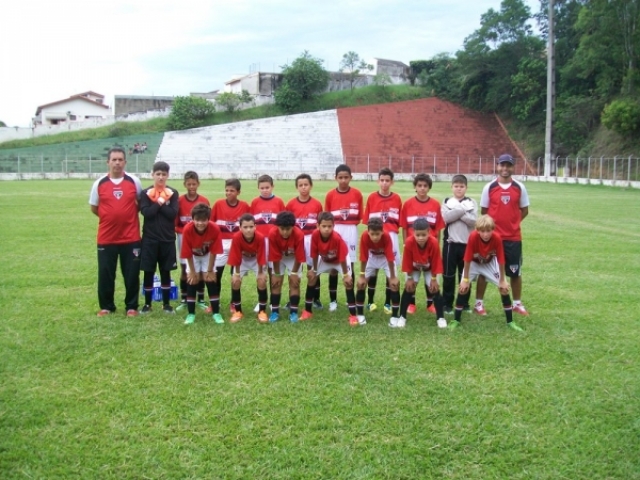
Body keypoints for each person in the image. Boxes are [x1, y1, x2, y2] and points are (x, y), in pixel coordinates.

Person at [89, 147, 142, 317]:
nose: (117, 163)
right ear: (108, 162)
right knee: (105, 274)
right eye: (114, 160)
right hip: (107, 238)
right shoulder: (99, 183)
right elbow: (94, 207)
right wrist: (110, 217)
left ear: (125, 162)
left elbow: (140, 203)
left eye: (120, 159)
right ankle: (107, 307)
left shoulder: (134, 181)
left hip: (131, 238)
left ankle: (131, 307)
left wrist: (125, 216)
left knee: (131, 274)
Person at [475, 154, 530, 316]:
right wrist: (489, 230)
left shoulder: (519, 187)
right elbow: (484, 211)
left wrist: (513, 223)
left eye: (508, 165)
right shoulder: (489, 187)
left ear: (513, 167)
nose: (505, 169)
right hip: (492, 238)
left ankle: (517, 304)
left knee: (515, 272)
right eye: (502, 165)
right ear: (497, 166)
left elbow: (525, 210)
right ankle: (478, 304)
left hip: (513, 238)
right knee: (484, 270)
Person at [448, 215, 524, 332]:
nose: (485, 234)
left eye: (488, 231)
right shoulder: (473, 237)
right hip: (474, 263)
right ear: (477, 230)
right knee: (463, 289)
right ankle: (456, 320)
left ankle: (510, 322)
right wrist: (465, 280)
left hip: (489, 263)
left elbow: (501, 260)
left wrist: (502, 280)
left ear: (493, 229)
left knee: (504, 289)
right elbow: (467, 258)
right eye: (482, 231)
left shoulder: (497, 238)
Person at [399, 173, 445, 315]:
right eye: (419, 185)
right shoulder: (408, 204)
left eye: (425, 186)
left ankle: (430, 303)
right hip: (413, 248)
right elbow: (404, 227)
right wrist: (405, 245)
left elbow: (438, 228)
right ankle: (411, 303)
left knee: (430, 276)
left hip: (430, 248)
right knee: (412, 277)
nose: (422, 188)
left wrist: (437, 246)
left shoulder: (435, 204)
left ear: (429, 187)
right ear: (415, 187)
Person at [302, 212, 359, 326]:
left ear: (333, 226)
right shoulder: (315, 235)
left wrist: (346, 275)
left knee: (348, 283)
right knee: (312, 278)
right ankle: (307, 311)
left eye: (329, 226)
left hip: (340, 261)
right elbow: (314, 253)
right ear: (318, 226)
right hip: (324, 259)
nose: (327, 229)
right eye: (324, 226)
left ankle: (353, 315)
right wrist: (314, 270)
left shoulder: (336, 238)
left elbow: (342, 257)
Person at [139, 161, 180, 314]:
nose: (161, 177)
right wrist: (160, 201)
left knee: (166, 271)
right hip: (149, 239)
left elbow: (172, 214)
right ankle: (147, 304)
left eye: (163, 174)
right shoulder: (145, 193)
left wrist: (159, 202)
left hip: (167, 239)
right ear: (153, 175)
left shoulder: (173, 193)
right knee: (148, 271)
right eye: (158, 174)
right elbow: (147, 213)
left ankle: (166, 304)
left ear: (167, 175)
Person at [362, 167, 402, 313]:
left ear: (392, 182)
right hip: (375, 237)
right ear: (378, 181)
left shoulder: (397, 198)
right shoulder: (372, 197)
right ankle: (370, 302)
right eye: (382, 180)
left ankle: (387, 303)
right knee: (373, 270)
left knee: (389, 270)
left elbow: (399, 221)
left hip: (391, 237)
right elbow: (367, 221)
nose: (384, 183)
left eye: (387, 180)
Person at [394, 218, 447, 329]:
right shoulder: (409, 242)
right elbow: (407, 261)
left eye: (423, 235)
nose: (421, 238)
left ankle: (440, 317)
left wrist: (434, 279)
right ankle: (402, 316)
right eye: (418, 235)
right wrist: (409, 278)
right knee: (409, 288)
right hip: (414, 267)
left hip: (429, 268)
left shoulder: (433, 242)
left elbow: (436, 262)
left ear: (429, 232)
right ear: (413, 233)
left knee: (435, 289)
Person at [324, 164, 363, 313]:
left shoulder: (357, 194)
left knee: (349, 264)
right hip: (335, 229)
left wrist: (349, 226)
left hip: (351, 229)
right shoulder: (330, 195)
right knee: (334, 265)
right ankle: (333, 301)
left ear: (351, 178)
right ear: (336, 178)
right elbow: (327, 216)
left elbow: (359, 216)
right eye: (340, 177)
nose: (343, 180)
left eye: (346, 177)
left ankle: (349, 298)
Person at [179, 203, 223, 325]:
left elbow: (214, 251)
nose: (200, 223)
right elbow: (187, 253)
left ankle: (216, 313)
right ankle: (191, 314)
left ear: (208, 219)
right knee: (192, 280)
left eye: (204, 220)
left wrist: (210, 270)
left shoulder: (214, 228)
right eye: (197, 220)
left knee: (210, 280)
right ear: (192, 219)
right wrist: (192, 271)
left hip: (207, 255)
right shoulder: (187, 229)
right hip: (193, 256)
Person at [211, 178, 251, 312]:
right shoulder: (218, 204)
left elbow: (249, 226)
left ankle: (234, 302)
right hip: (221, 244)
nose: (228, 193)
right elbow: (211, 223)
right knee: (216, 274)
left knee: (235, 275)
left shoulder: (244, 206)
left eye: (232, 191)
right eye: (227, 190)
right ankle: (214, 302)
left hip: (237, 244)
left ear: (238, 192)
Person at [286, 173, 324, 309]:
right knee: (294, 269)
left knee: (313, 268)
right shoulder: (291, 204)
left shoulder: (317, 204)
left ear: (311, 186)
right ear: (297, 187)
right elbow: (287, 224)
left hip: (311, 239)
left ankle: (315, 298)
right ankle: (292, 299)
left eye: (306, 185)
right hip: (295, 240)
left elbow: (321, 224)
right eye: (300, 185)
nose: (303, 187)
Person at [441, 174, 477, 314]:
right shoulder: (447, 201)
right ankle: (447, 304)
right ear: (452, 187)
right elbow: (446, 218)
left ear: (466, 188)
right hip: (451, 243)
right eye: (456, 186)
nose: (459, 189)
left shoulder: (471, 202)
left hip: (467, 244)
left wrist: (456, 211)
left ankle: (464, 303)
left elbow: (473, 221)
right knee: (448, 275)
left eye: (461, 186)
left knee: (465, 275)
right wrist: (462, 209)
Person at [175, 171, 210, 312]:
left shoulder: (204, 201)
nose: (191, 187)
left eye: (194, 184)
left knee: (200, 269)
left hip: (201, 238)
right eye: (189, 184)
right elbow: (175, 224)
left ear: (198, 184)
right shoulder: (179, 201)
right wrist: (186, 231)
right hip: (183, 237)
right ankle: (185, 299)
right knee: (185, 268)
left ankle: (200, 299)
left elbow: (208, 222)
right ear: (184, 184)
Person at [250, 174, 286, 312]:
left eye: (267, 187)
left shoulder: (279, 202)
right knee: (261, 269)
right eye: (262, 188)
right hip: (260, 241)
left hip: (274, 241)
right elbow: (251, 223)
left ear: (272, 187)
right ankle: (262, 301)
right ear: (258, 188)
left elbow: (283, 222)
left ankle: (273, 301)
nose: (265, 190)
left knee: (273, 270)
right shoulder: (255, 202)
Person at [355, 218, 400, 325]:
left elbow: (390, 257)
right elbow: (363, 257)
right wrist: (362, 275)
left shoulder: (387, 236)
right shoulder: (364, 236)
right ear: (368, 231)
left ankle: (394, 316)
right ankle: (360, 315)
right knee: (361, 284)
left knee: (394, 285)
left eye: (377, 234)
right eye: (372, 234)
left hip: (385, 259)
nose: (375, 237)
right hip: (372, 258)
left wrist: (393, 277)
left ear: (382, 232)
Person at [228, 213, 269, 323]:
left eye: (251, 226)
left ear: (255, 226)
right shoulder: (236, 237)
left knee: (261, 281)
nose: (248, 230)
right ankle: (238, 311)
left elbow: (261, 256)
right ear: (240, 227)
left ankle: (262, 311)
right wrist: (237, 274)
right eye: (245, 227)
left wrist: (260, 273)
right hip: (243, 260)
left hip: (256, 260)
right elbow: (236, 256)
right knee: (235, 282)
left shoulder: (260, 237)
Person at [268, 211, 306, 323]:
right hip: (279, 258)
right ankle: (275, 312)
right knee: (276, 284)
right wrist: (276, 274)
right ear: (277, 227)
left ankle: (293, 312)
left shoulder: (299, 234)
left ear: (293, 227)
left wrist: (294, 274)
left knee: (294, 284)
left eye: (288, 229)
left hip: (293, 258)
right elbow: (274, 256)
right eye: (282, 229)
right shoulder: (272, 233)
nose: (285, 232)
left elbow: (299, 256)